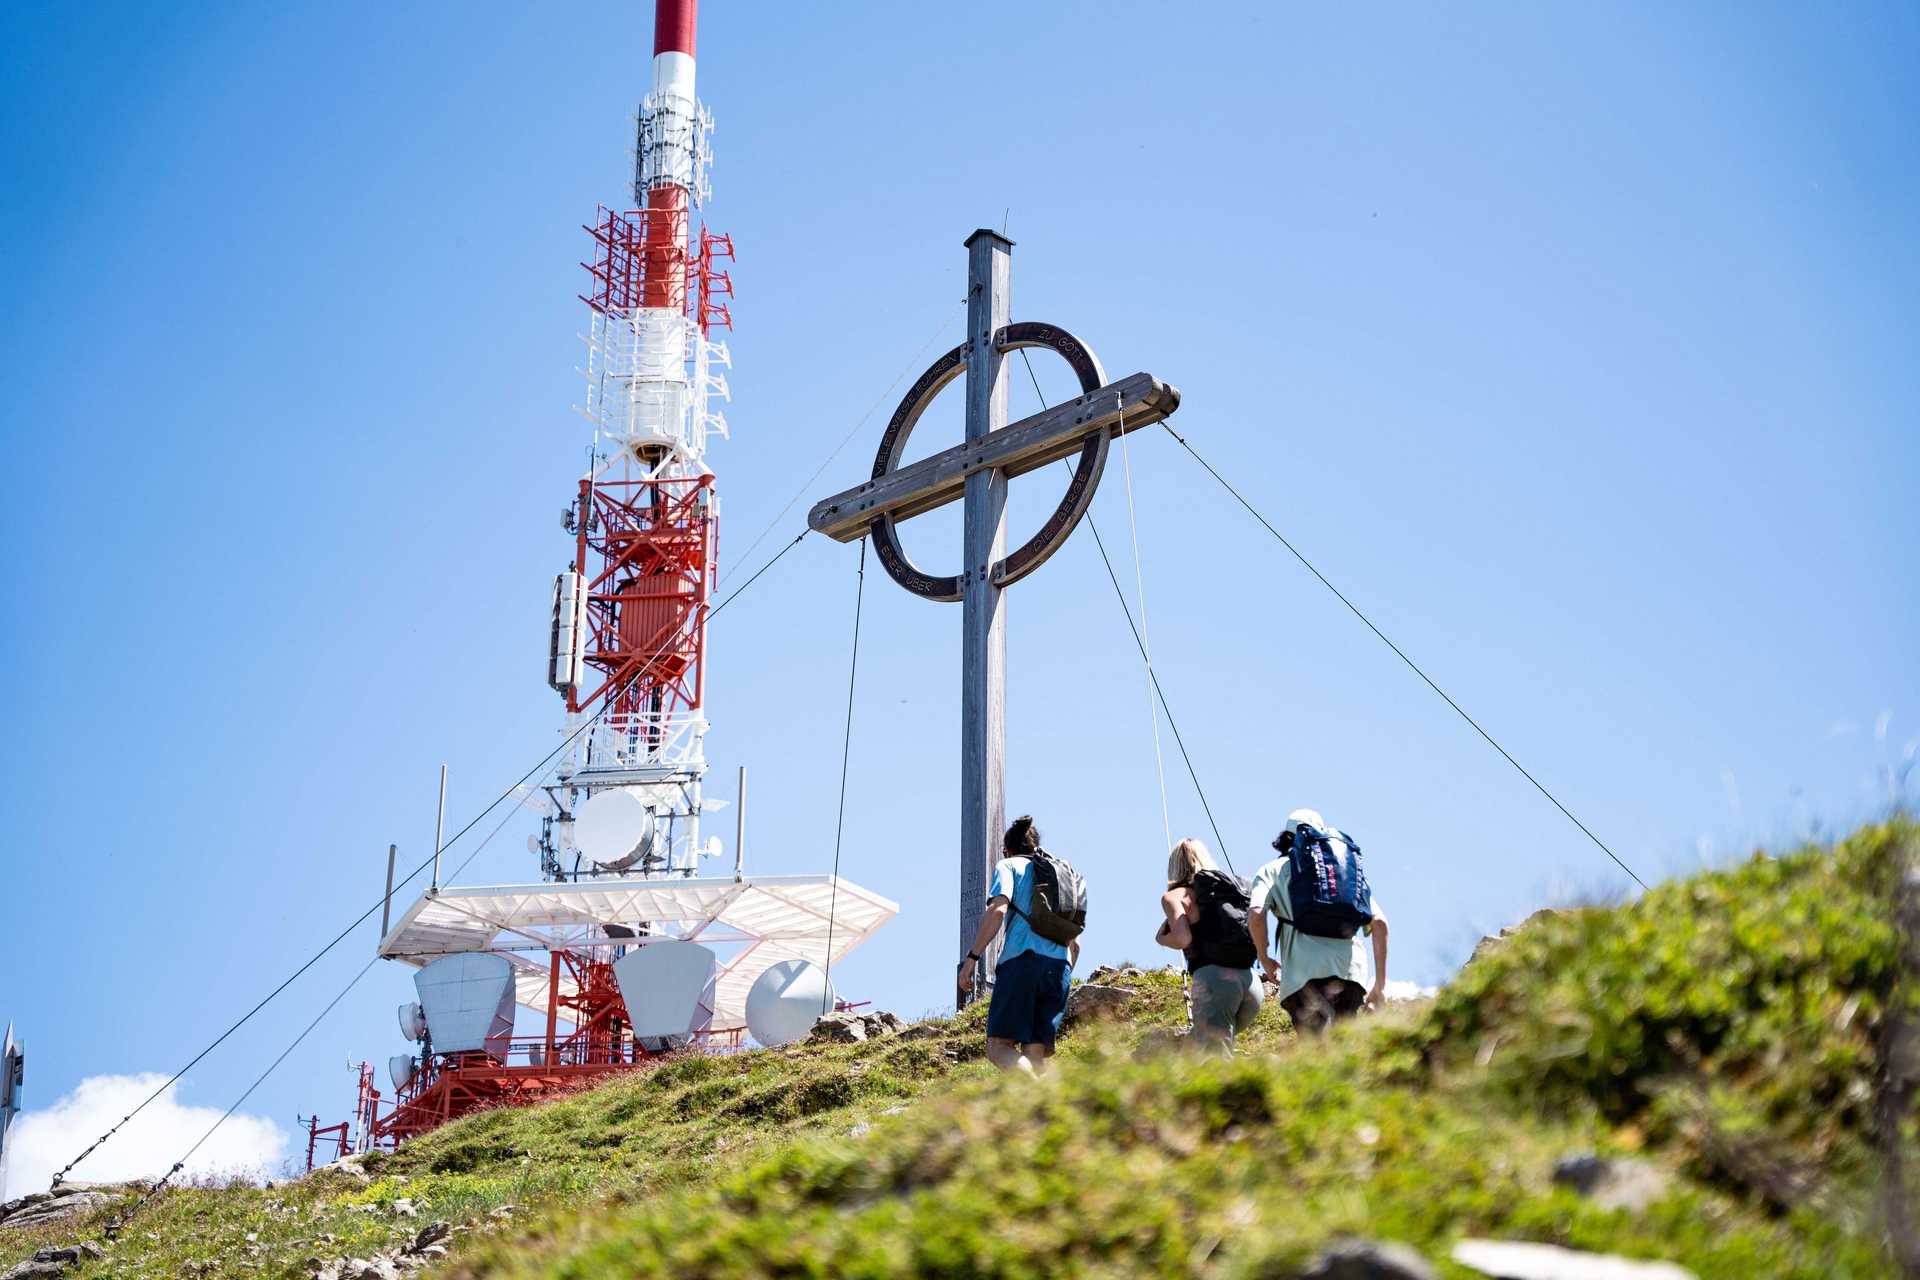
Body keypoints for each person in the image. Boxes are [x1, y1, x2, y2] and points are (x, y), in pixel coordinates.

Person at [1248, 808, 1390, 1035]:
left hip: (1304, 975)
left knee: (1316, 1053)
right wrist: (1379, 986)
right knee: (1346, 1048)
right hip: (1351, 973)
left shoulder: (1272, 870)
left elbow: (1256, 912)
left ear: (1285, 839)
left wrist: (1264, 958)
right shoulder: (1341, 872)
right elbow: (1380, 923)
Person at [956, 815, 1080, 1074]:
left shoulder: (1009, 865)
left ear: (1008, 849)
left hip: (1022, 963)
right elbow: (1075, 944)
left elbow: (998, 911)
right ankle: (1053, 1107)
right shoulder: (1059, 874)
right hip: (1059, 970)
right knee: (1035, 1055)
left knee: (998, 1047)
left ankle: (1039, 1097)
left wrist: (972, 958)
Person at [1155, 837, 1262, 1054]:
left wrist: (1162, 939)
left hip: (1217, 982)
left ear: (1174, 866)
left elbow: (1183, 939)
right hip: (1252, 983)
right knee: (1212, 1047)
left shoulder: (1174, 896)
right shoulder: (1230, 889)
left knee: (1214, 1060)